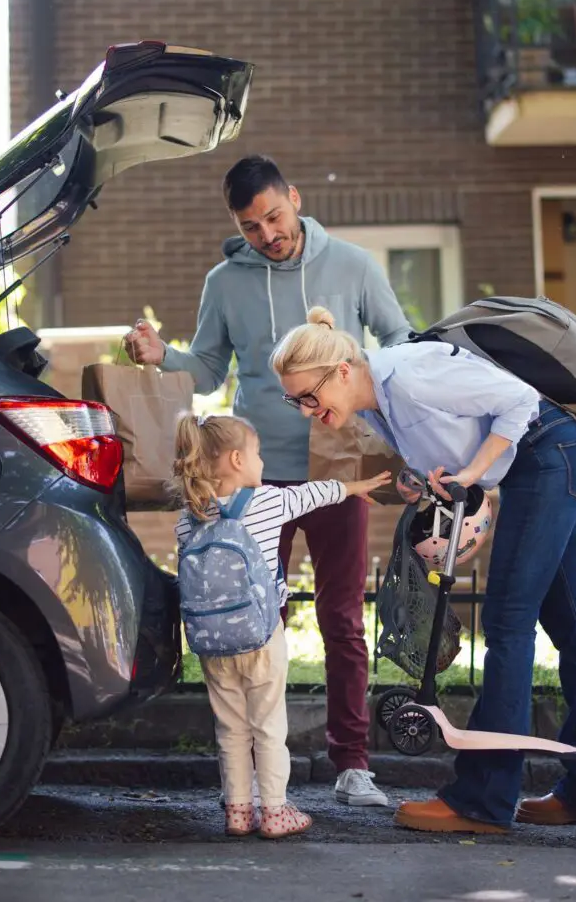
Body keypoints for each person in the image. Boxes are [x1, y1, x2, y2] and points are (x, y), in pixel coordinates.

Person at [269, 306, 576, 834]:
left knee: (507, 623)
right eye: (294, 400)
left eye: (308, 396)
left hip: (547, 458)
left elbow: (520, 401)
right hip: (544, 463)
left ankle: (483, 800)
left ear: (342, 371)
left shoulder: (411, 374)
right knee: (572, 627)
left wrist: (473, 474)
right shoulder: (375, 405)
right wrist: (423, 480)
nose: (304, 410)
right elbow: (453, 436)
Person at [126, 154, 412, 807]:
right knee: (259, 620)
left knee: (342, 618)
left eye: (274, 217)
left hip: (338, 463)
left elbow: (398, 339)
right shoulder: (225, 282)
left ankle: (353, 764)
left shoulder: (354, 266)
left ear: (296, 200)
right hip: (252, 473)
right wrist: (158, 354)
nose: (268, 234)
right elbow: (203, 370)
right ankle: (259, 764)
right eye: (251, 226)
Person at [172, 412, 391, 837]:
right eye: (257, 454)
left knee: (231, 729)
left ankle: (238, 810)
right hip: (261, 634)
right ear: (236, 459)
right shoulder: (269, 501)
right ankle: (274, 810)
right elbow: (315, 494)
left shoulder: (188, 517)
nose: (262, 462)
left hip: (212, 642)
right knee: (268, 725)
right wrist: (353, 486)